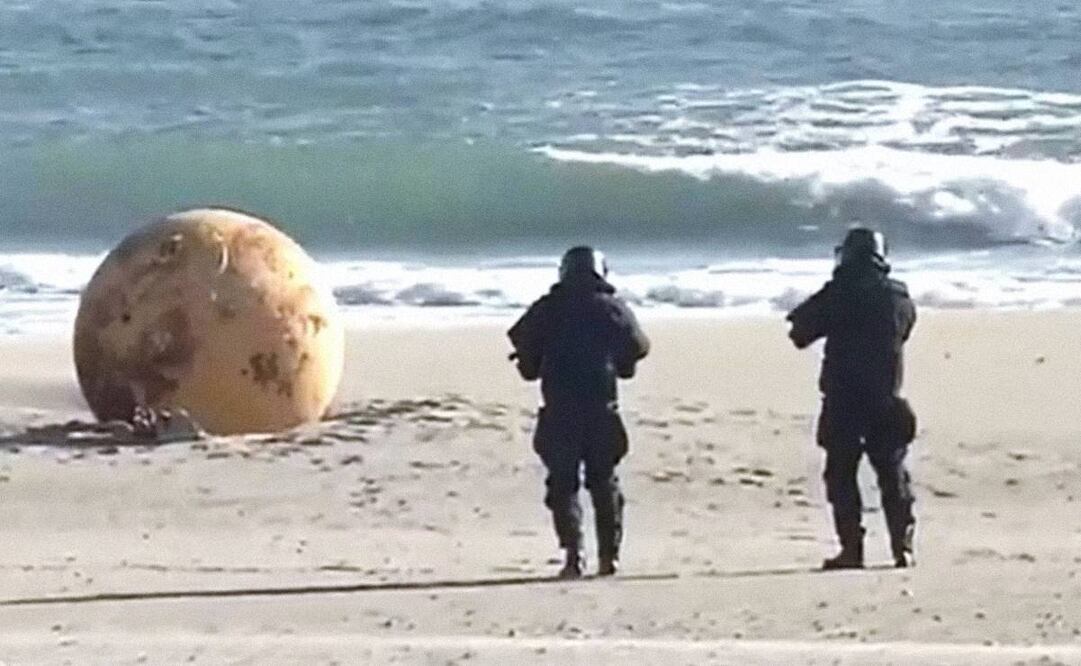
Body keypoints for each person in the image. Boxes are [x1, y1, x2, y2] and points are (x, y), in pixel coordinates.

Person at [508, 246, 650, 579]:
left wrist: (530, 363)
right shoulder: (613, 308)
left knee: (562, 485)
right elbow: (638, 348)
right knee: (604, 482)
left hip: (559, 411)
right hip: (602, 409)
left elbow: (525, 354)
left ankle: (574, 555)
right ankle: (609, 557)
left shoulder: (546, 309)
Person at [786, 228, 918, 569]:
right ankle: (902, 547)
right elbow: (905, 329)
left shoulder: (839, 293)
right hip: (885, 399)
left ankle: (852, 550)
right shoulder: (899, 297)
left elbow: (799, 331)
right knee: (892, 474)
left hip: (843, 400)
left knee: (841, 476)